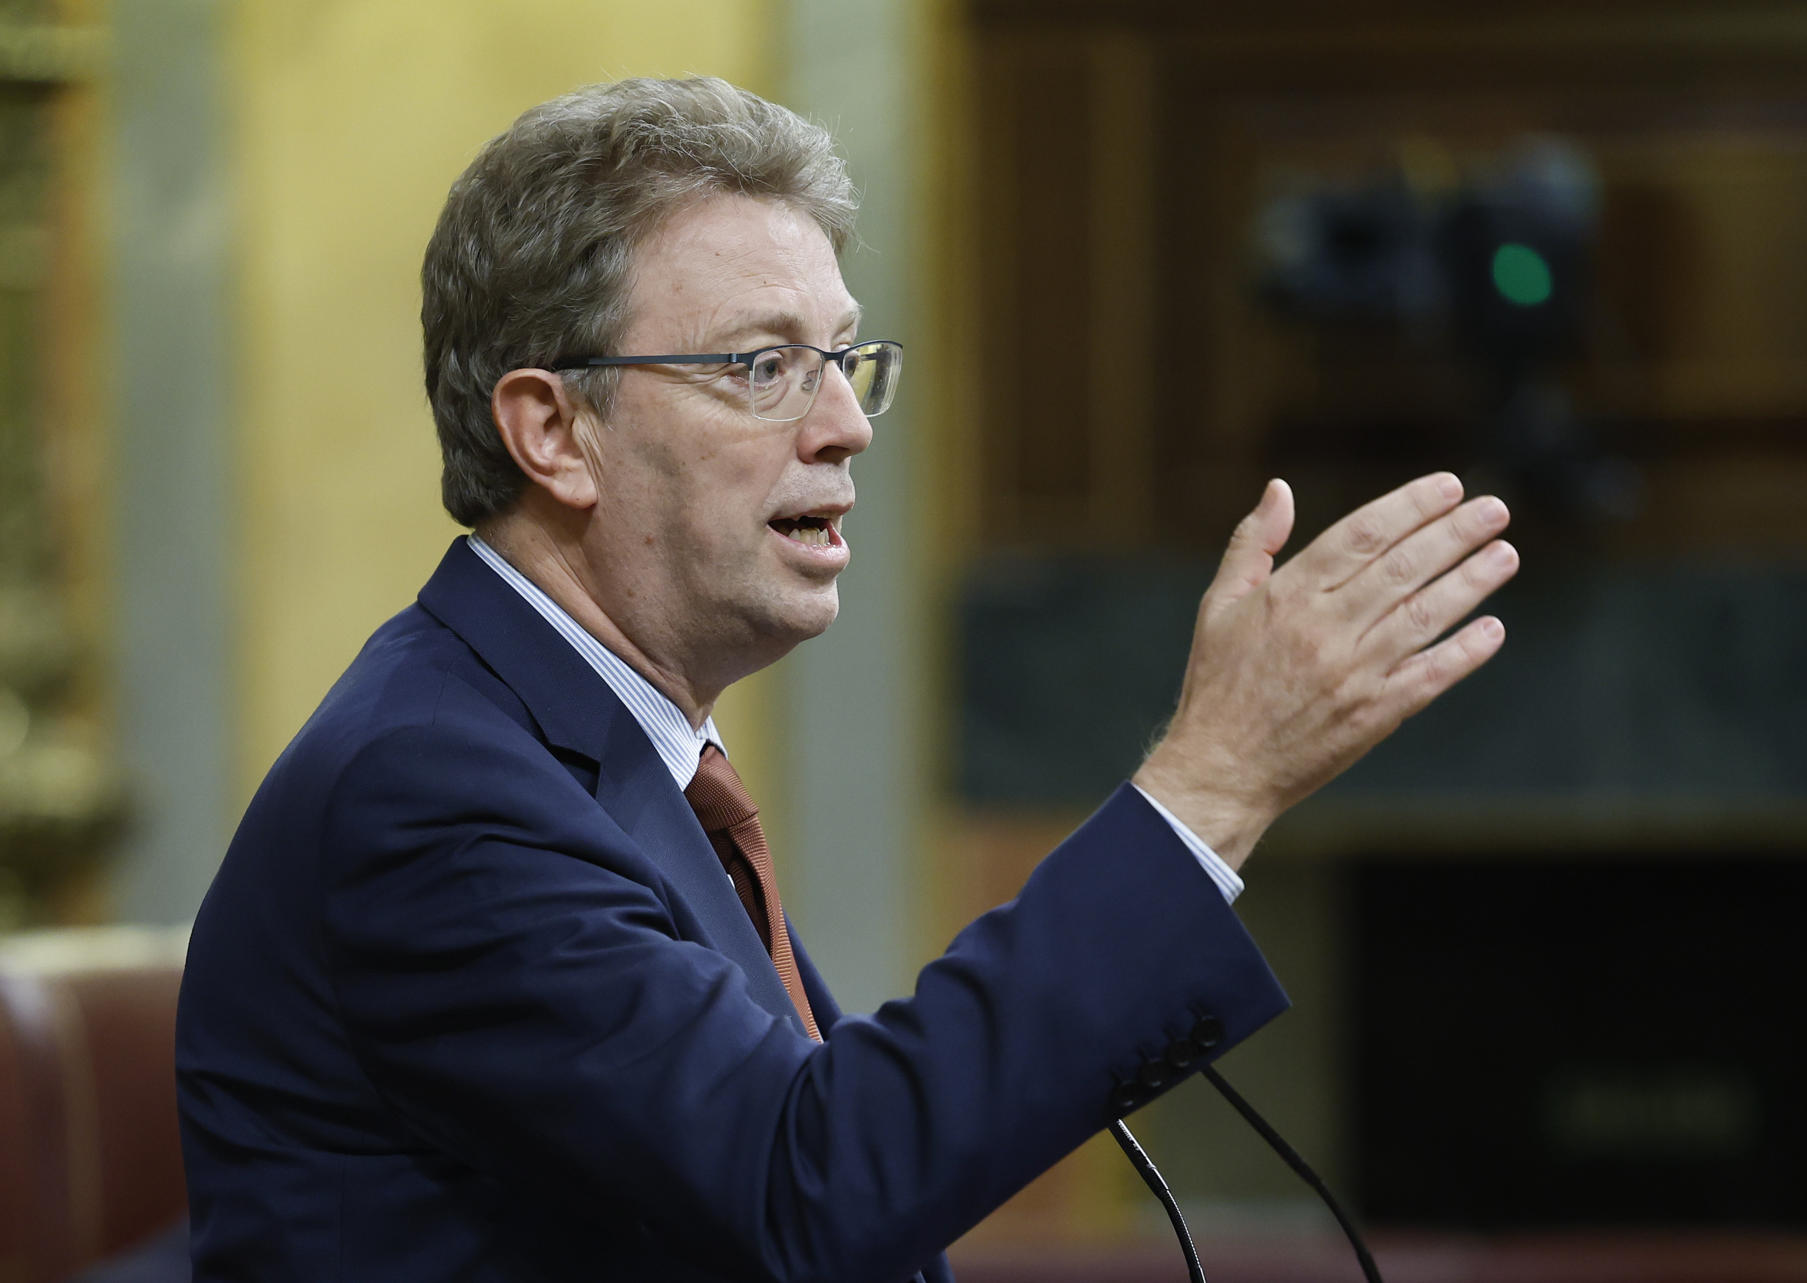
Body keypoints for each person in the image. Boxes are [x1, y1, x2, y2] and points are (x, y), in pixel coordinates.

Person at [174, 76, 1517, 1283]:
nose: (846, 425)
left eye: (844, 358)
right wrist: (1212, 781)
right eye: (761, 367)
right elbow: (804, 1186)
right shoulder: (433, 792)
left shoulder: (600, 753)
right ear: (554, 430)